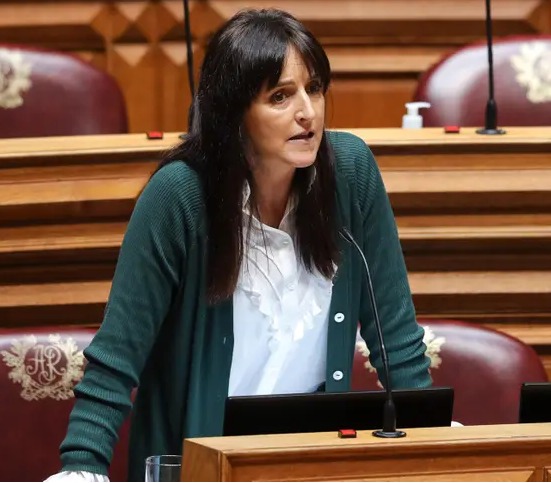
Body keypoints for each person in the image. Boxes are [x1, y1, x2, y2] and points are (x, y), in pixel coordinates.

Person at [47, 8, 431, 482]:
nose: (307, 112)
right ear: (234, 114)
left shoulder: (350, 174)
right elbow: (115, 360)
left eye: (313, 88)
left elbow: (397, 341)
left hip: (312, 468)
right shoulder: (179, 197)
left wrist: (433, 439)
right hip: (197, 470)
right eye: (280, 96)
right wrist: (81, 466)